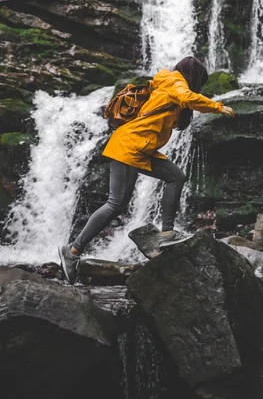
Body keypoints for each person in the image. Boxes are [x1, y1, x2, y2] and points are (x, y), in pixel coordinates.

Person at [59, 56, 235, 284]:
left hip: (141, 149)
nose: (198, 86)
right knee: (116, 203)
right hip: (129, 146)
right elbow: (188, 96)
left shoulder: (165, 82)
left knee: (175, 176)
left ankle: (166, 234)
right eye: (199, 81)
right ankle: (72, 251)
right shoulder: (175, 82)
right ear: (192, 76)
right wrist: (218, 107)